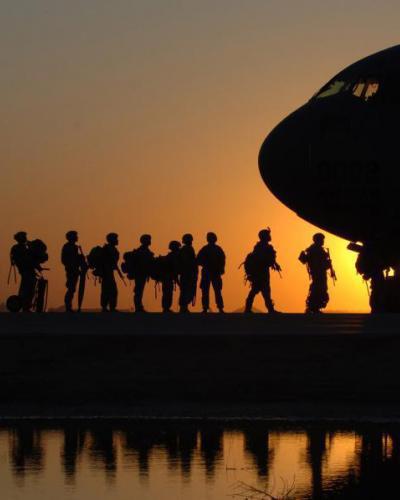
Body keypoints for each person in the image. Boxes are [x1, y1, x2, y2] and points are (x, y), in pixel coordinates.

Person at [244, 229, 281, 314]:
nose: (270, 236)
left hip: (262, 272)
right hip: (260, 273)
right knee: (259, 290)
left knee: (262, 291)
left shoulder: (263, 246)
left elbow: (270, 259)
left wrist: (275, 263)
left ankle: (268, 309)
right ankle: (249, 309)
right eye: (268, 235)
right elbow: (262, 259)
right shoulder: (261, 247)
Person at [299, 233, 336, 314]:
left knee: (320, 289)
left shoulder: (318, 249)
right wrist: (327, 264)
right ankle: (313, 307)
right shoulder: (314, 250)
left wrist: (328, 264)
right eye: (321, 240)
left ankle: (315, 307)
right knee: (318, 290)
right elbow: (318, 264)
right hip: (318, 274)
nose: (323, 241)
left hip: (320, 273)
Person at [197, 232, 225, 313]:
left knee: (211, 291)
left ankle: (207, 308)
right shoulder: (217, 249)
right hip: (212, 272)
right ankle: (217, 308)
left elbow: (198, 260)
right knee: (214, 291)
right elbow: (199, 260)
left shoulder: (206, 249)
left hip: (211, 272)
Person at [10, 232, 37, 311]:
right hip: (25, 270)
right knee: (27, 289)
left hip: (26, 270)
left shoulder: (21, 247)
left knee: (28, 288)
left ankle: (25, 305)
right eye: (24, 237)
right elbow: (26, 259)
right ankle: (24, 305)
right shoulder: (19, 248)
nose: (26, 238)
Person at [61, 231, 86, 312]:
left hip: (75, 270)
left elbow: (76, 259)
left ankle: (68, 306)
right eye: (75, 236)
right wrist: (73, 266)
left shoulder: (75, 247)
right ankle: (68, 306)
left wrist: (81, 258)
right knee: (71, 288)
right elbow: (65, 260)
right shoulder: (67, 247)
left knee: (72, 289)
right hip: (71, 271)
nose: (77, 237)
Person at [132, 234, 154, 312]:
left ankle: (139, 306)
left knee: (139, 290)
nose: (150, 241)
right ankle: (138, 307)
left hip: (143, 274)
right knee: (139, 290)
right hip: (140, 274)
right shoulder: (141, 251)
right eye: (148, 240)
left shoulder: (145, 251)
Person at [178, 233, 198, 313]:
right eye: (190, 240)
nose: (191, 241)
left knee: (187, 290)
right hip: (187, 274)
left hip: (188, 273)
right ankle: (183, 307)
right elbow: (187, 262)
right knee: (186, 290)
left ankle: (184, 307)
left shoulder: (187, 249)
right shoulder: (186, 249)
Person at [101, 233, 121, 312]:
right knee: (109, 290)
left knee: (110, 290)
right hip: (106, 272)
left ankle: (110, 307)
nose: (117, 240)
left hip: (109, 272)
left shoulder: (112, 249)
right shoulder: (107, 249)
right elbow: (105, 262)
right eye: (115, 239)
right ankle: (106, 307)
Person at [160, 240, 181, 313]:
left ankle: (166, 308)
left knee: (167, 293)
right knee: (168, 293)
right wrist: (179, 283)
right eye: (178, 247)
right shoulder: (173, 257)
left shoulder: (170, 256)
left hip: (167, 278)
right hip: (168, 278)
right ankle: (166, 308)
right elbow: (175, 271)